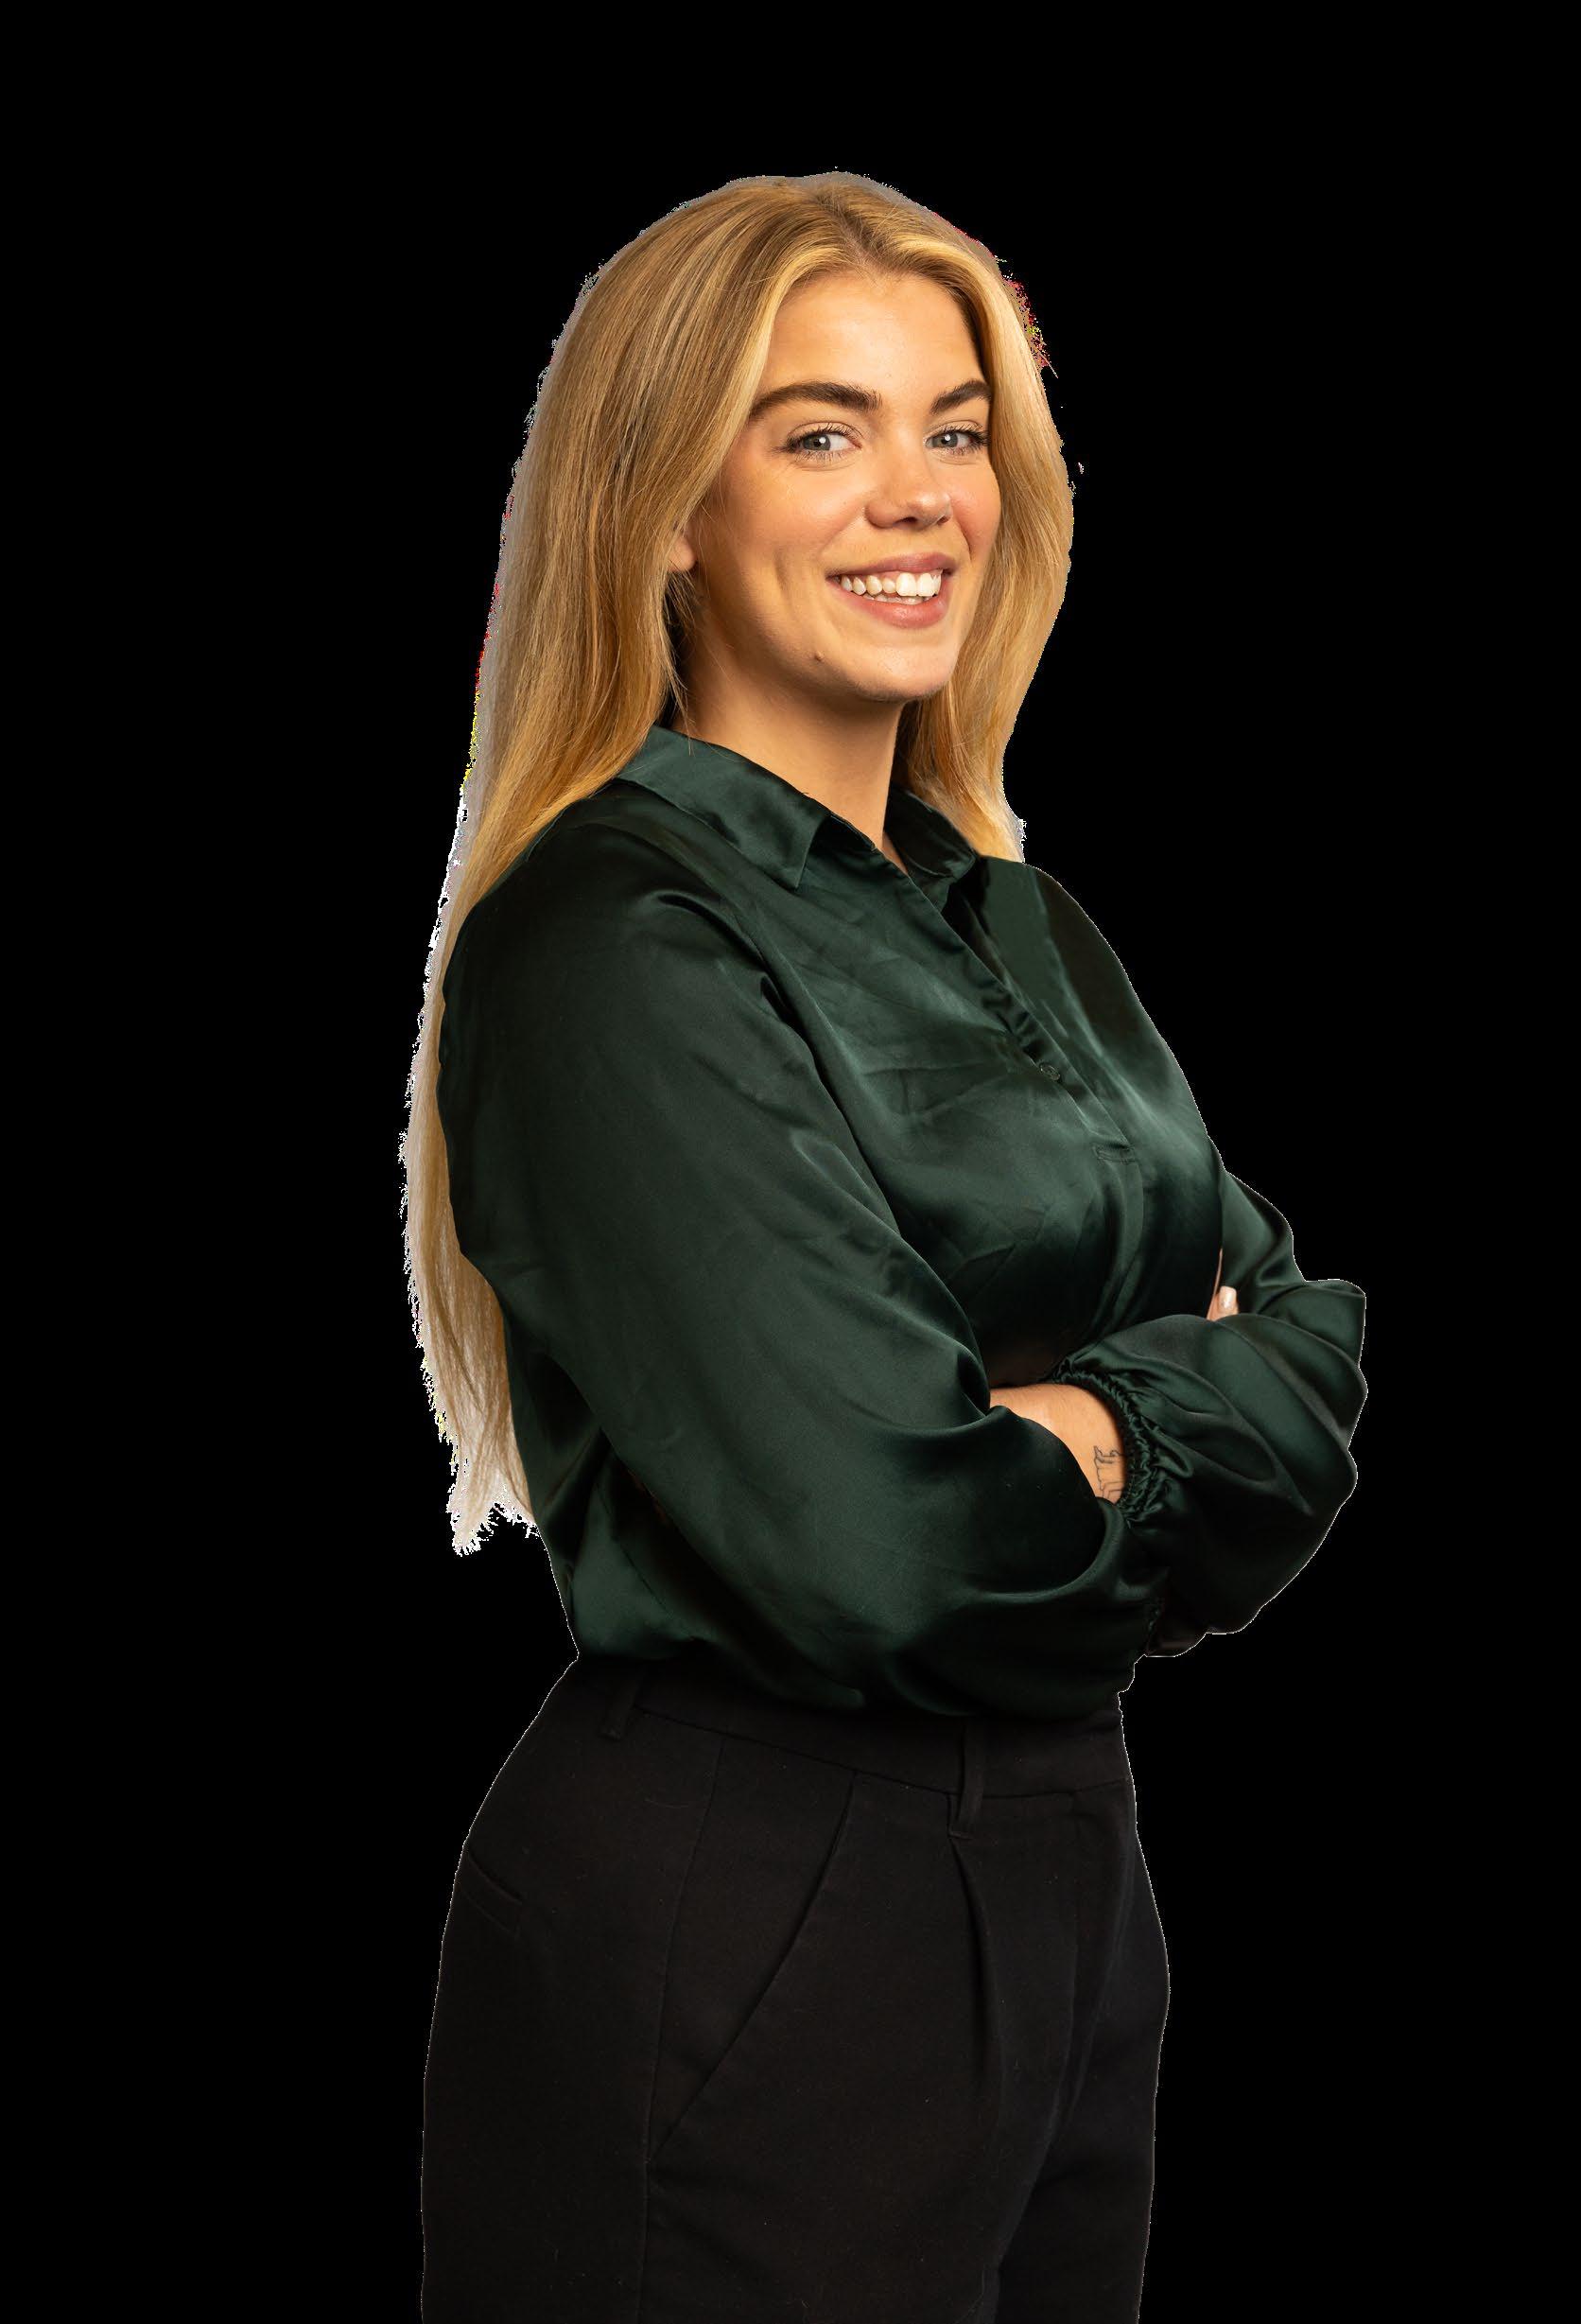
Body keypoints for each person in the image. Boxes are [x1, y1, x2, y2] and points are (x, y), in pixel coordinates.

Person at [403, 170, 1367, 2324]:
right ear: (669, 505)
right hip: (757, 1912)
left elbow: (1310, 1347)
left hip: (1067, 1888)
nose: (916, 493)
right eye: (820, 431)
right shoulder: (614, 942)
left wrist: (1068, 1424)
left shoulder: (1013, 912)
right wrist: (1158, 1404)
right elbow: (883, 1540)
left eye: (957, 428)